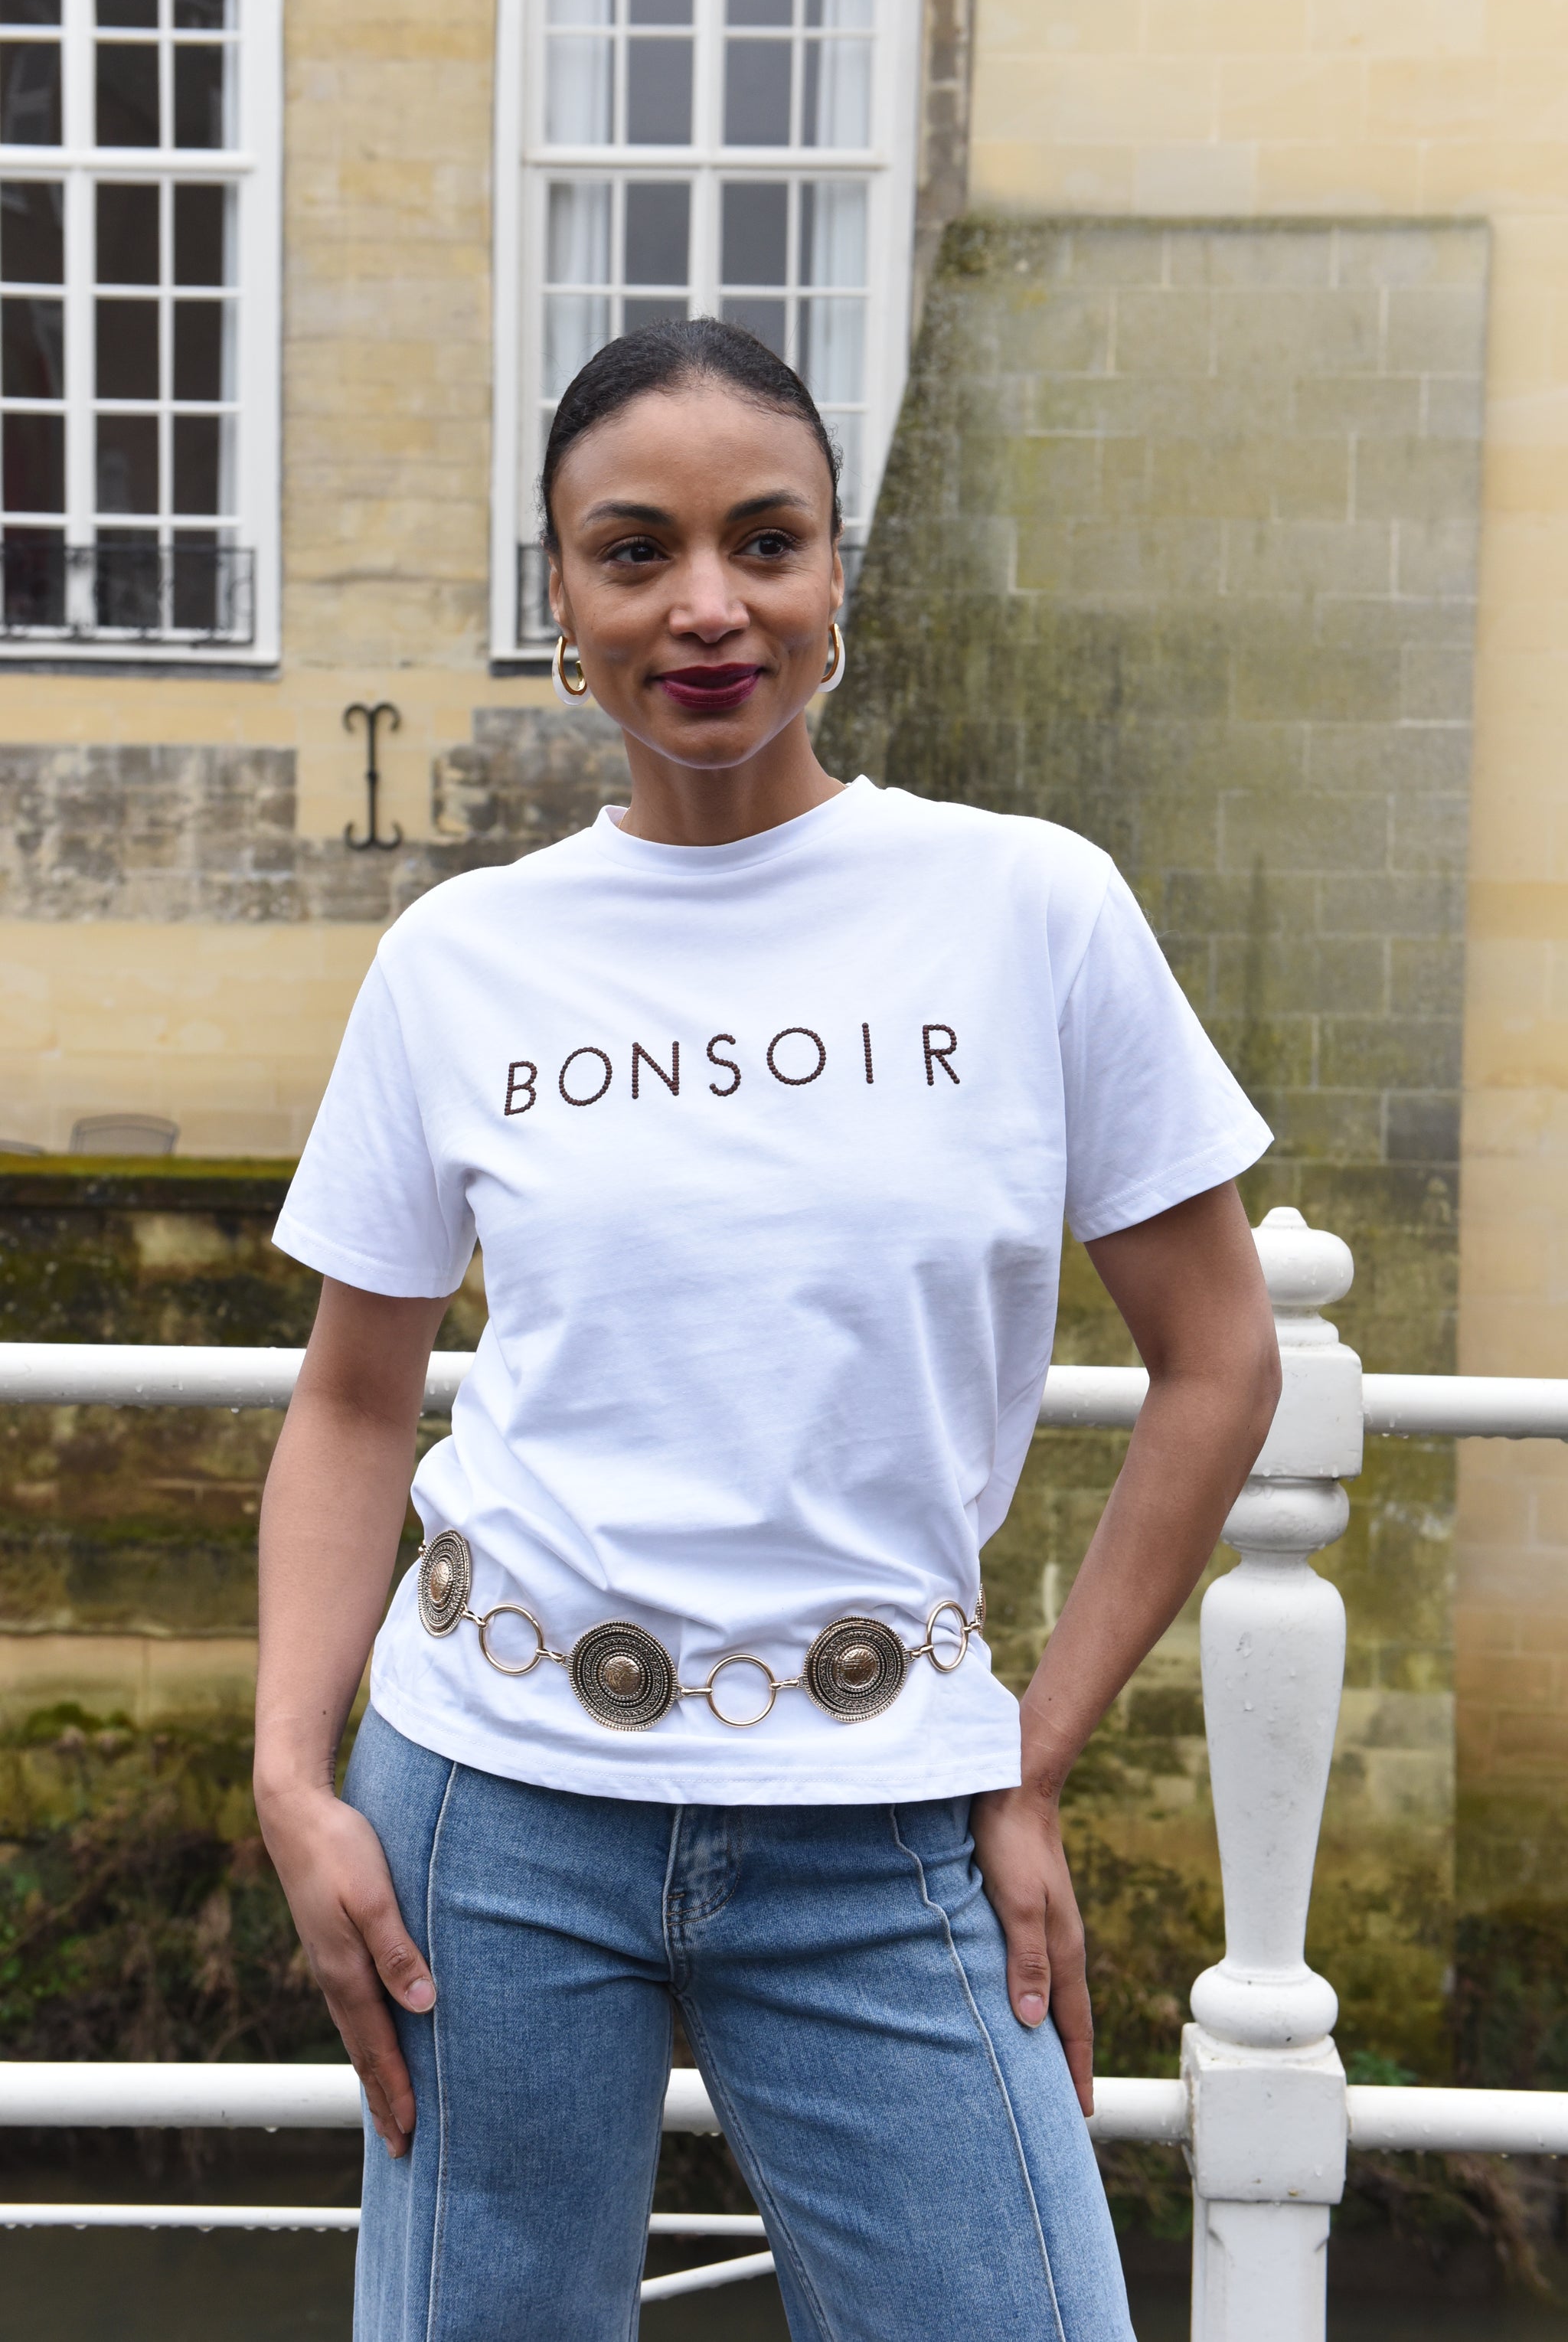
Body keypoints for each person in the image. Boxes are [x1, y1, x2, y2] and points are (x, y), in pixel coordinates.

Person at [255, 317, 1281, 2342]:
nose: (707, 604)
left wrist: (1029, 1762)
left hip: (884, 1814)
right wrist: (294, 1773)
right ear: (563, 601)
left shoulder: (1029, 908)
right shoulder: (462, 960)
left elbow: (1222, 1355)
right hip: (487, 1806)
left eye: (767, 541)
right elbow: (355, 1402)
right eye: (635, 551)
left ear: (834, 577)